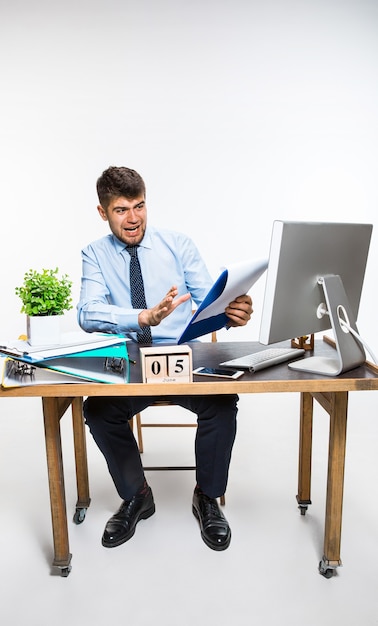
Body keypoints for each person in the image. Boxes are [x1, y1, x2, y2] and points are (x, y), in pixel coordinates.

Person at [77, 166, 253, 551]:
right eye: (121, 209)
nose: (134, 218)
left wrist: (234, 313)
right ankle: (137, 495)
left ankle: (207, 496)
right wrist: (141, 317)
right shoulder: (94, 254)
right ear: (102, 212)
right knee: (99, 412)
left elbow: (213, 303)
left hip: (184, 356)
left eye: (139, 206)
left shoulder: (179, 244)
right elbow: (87, 313)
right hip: (130, 361)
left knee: (222, 406)